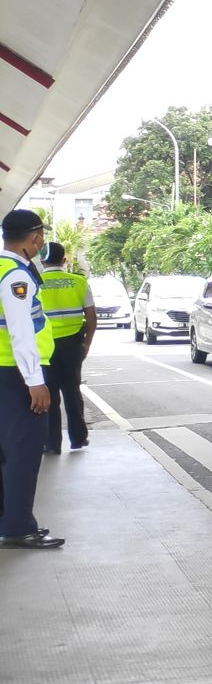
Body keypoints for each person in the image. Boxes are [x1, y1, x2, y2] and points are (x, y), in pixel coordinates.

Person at [0, 209, 63, 549]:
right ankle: (18, 527)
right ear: (35, 237)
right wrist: (34, 380)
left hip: (5, 374)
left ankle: (7, 520)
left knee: (4, 451)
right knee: (23, 452)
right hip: (16, 376)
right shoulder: (14, 277)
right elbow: (21, 331)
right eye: (40, 237)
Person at [39, 241, 95, 453]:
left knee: (50, 394)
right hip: (73, 344)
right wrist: (86, 342)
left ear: (42, 260)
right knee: (72, 390)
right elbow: (91, 316)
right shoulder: (79, 282)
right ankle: (78, 438)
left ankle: (52, 443)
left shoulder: (36, 283)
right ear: (64, 260)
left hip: (46, 346)